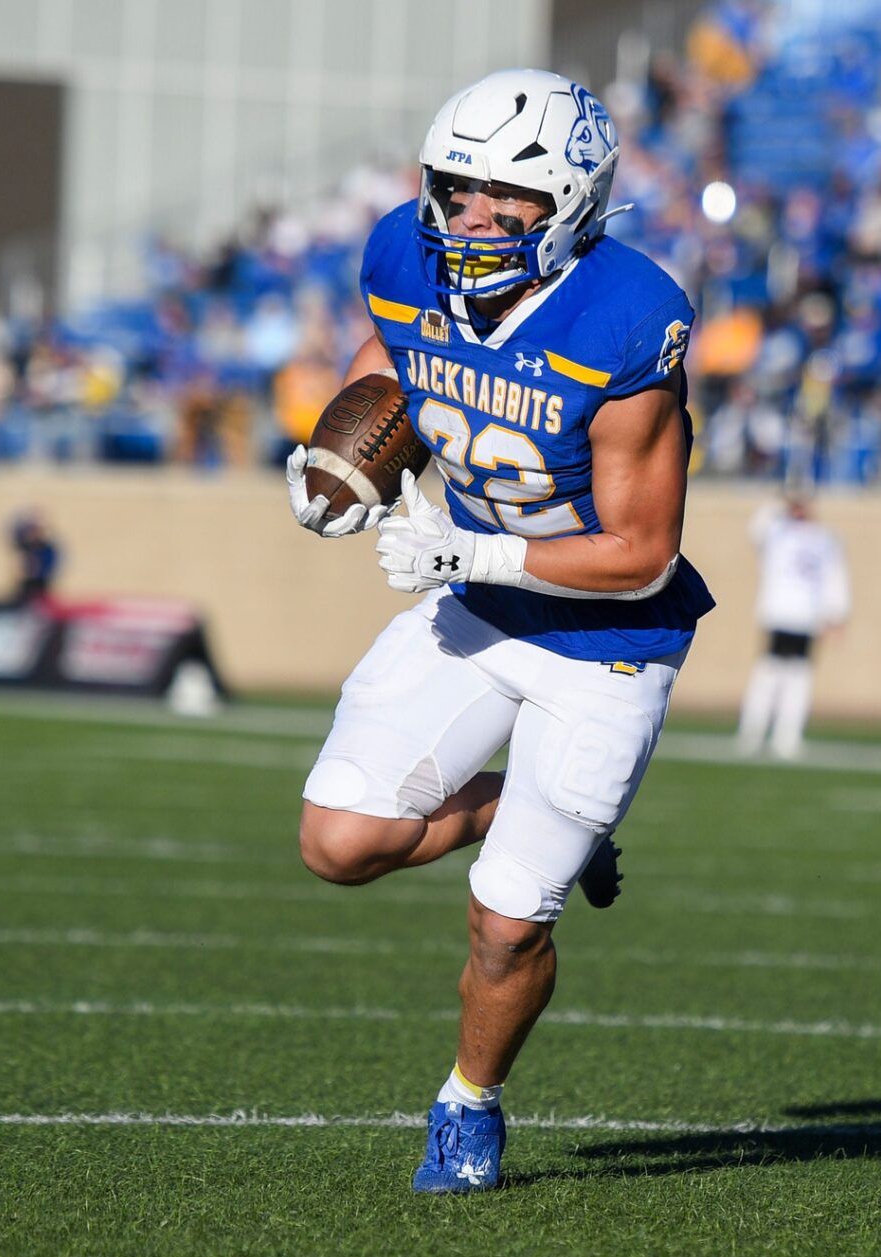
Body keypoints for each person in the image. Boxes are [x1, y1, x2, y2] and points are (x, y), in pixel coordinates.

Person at [281, 70, 713, 1195]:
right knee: (337, 842)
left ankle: (467, 1104)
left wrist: (469, 552)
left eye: (504, 199)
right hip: (476, 602)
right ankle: (531, 818)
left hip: (603, 640)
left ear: (569, 202)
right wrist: (349, 449)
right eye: (455, 190)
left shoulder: (627, 313)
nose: (470, 220)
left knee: (507, 928)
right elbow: (392, 359)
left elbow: (640, 553)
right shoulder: (399, 253)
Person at [735, 488, 850, 758]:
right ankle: (752, 731)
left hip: (807, 616)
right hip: (778, 613)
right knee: (769, 673)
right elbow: (756, 527)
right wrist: (780, 500)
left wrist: (837, 614)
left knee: (799, 677)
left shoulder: (825, 537)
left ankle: (788, 736)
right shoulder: (778, 531)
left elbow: (835, 576)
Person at [8, 509, 59, 604]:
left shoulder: (47, 548)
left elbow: (48, 568)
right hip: (27, 586)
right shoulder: (25, 547)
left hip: (39, 584)